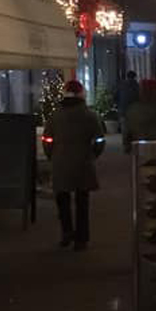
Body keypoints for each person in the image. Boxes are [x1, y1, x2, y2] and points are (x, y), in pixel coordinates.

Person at [45, 80, 104, 251]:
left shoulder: (55, 116)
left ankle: (66, 232)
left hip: (60, 161)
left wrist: (52, 155)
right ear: (81, 94)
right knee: (82, 201)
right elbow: (99, 139)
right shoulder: (90, 115)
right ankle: (82, 238)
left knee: (62, 199)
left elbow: (47, 139)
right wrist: (94, 154)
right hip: (83, 161)